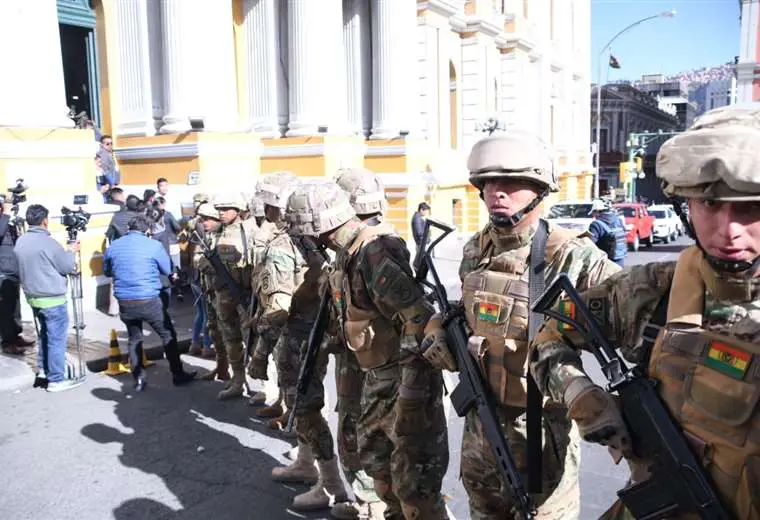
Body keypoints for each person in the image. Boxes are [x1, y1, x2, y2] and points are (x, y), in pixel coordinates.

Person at [529, 103, 760, 520]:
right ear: (686, 205)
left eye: (750, 208)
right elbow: (550, 333)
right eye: (709, 205)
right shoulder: (650, 292)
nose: (728, 231)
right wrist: (580, 393)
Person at [420, 131, 621, 519]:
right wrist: (437, 326)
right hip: (482, 426)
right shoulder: (476, 249)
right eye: (488, 183)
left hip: (541, 438)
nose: (497, 192)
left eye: (511, 183)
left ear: (540, 190)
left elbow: (626, 320)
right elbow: (465, 309)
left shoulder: (572, 255)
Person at [286, 181, 447, 519]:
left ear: (316, 227)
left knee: (414, 485)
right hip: (376, 378)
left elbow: (417, 319)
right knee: (380, 470)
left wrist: (410, 391)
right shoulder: (347, 255)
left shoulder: (374, 252)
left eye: (302, 231)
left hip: (400, 381)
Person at [328, 167, 386, 520]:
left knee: (381, 441)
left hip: (377, 363)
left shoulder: (376, 246)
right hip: (355, 356)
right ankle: (369, 503)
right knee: (354, 431)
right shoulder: (351, 245)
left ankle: (377, 505)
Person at [102, 215, 196, 391]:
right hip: (149, 299)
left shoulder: (114, 246)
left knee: (134, 339)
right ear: (147, 231)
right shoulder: (153, 246)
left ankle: (139, 378)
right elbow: (167, 269)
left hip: (125, 300)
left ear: (128, 229)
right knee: (168, 335)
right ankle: (177, 374)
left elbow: (107, 271)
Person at [246, 172, 299, 417]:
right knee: (288, 375)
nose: (264, 210)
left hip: (291, 325)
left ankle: (307, 448)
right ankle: (284, 407)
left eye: (268, 205)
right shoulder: (291, 237)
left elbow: (279, 304)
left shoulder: (284, 243)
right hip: (288, 321)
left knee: (300, 384)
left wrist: (259, 354)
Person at [13, 205, 81, 392]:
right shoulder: (49, 243)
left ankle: (43, 369)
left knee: (44, 334)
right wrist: (72, 251)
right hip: (52, 298)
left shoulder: (21, 241)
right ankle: (56, 379)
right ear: (45, 221)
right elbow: (67, 267)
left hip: (33, 297)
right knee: (56, 339)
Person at [211, 192, 258, 400]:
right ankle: (238, 380)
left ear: (238, 209)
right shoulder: (218, 232)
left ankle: (267, 388)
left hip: (245, 293)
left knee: (255, 341)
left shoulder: (250, 230)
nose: (221, 213)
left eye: (226, 209)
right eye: (219, 209)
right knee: (231, 339)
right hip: (223, 293)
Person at [0, 199, 33, 354]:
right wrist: (5, 215)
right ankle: (7, 342)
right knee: (6, 310)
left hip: (14, 270)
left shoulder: (7, 222)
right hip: (2, 273)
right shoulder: (3, 220)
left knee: (15, 307)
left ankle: (16, 335)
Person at [588, 198, 627, 266]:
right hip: (619, 260)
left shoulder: (596, 224)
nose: (593, 216)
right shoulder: (618, 220)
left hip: (605, 263)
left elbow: (590, 244)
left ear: (597, 212)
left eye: (593, 213)